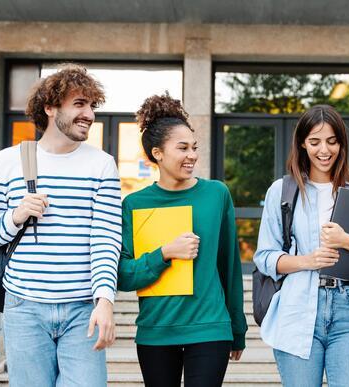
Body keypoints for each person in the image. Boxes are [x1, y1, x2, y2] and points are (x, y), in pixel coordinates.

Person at [0, 64, 121, 386]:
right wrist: (15, 216)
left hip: (83, 308)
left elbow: (107, 239)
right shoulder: (9, 160)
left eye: (92, 106)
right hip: (24, 307)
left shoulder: (102, 164)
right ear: (50, 107)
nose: (89, 115)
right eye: (79, 104)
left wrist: (105, 300)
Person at [253, 104, 349, 387]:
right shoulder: (282, 191)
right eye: (315, 142)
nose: (324, 150)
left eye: (332, 141)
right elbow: (265, 257)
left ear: (342, 144)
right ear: (302, 144)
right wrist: (308, 260)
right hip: (297, 308)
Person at [117, 93, 247, 387]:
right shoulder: (135, 204)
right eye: (183, 148)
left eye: (194, 147)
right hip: (156, 330)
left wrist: (237, 328)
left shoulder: (216, 194)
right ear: (158, 153)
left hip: (209, 328)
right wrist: (164, 253)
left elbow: (229, 266)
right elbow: (123, 275)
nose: (192, 155)